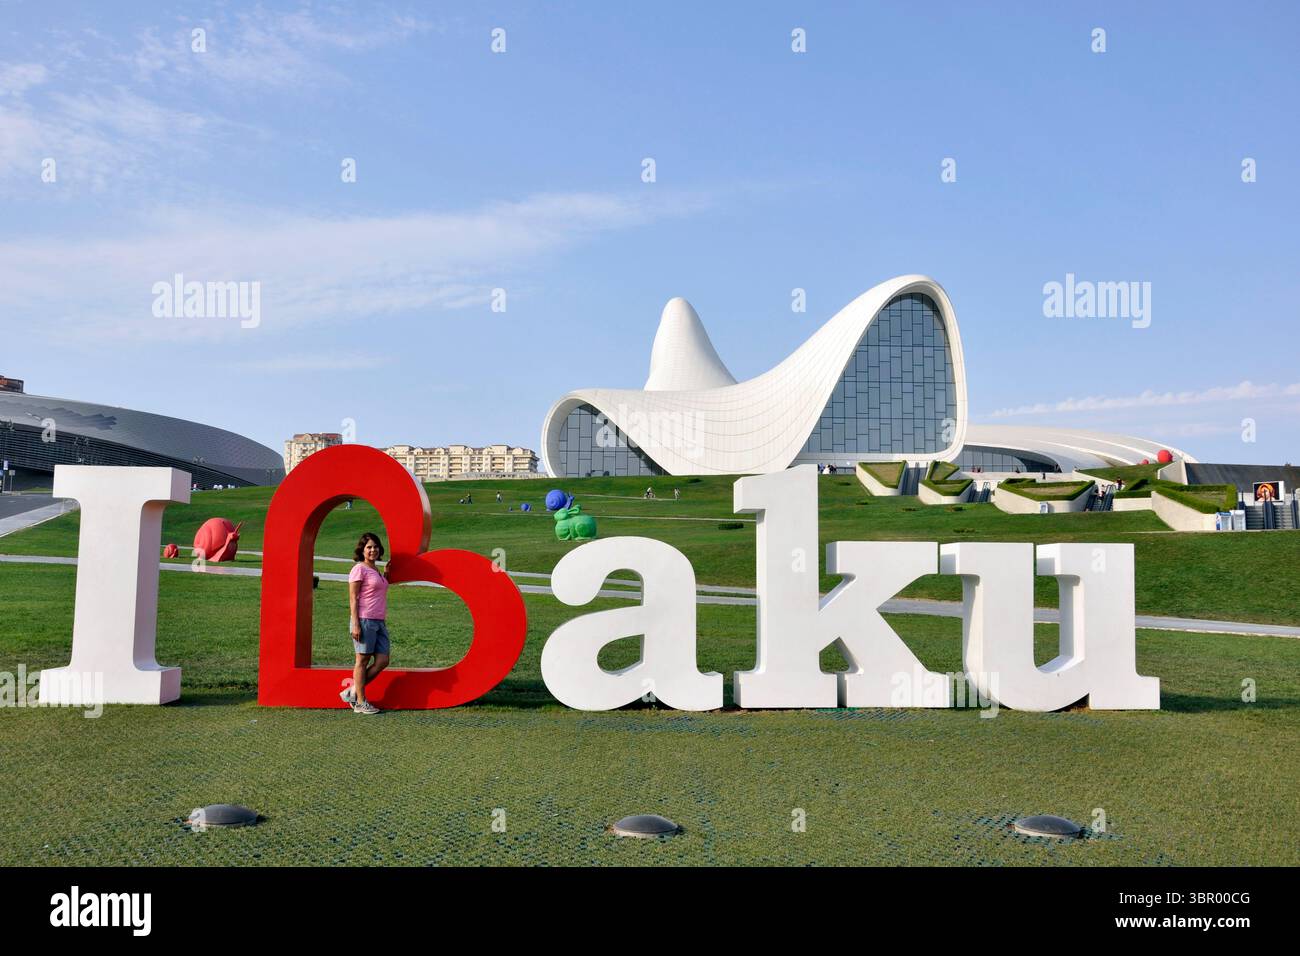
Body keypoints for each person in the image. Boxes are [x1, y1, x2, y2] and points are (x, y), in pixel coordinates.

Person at [342, 532, 389, 715]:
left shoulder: (376, 570)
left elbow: (376, 591)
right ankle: (361, 702)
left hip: (379, 621)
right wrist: (355, 624)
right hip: (364, 620)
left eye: (375, 546)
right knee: (362, 660)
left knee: (383, 660)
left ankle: (352, 691)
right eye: (369, 547)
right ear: (362, 550)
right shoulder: (359, 569)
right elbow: (353, 598)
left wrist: (386, 575)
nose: (373, 550)